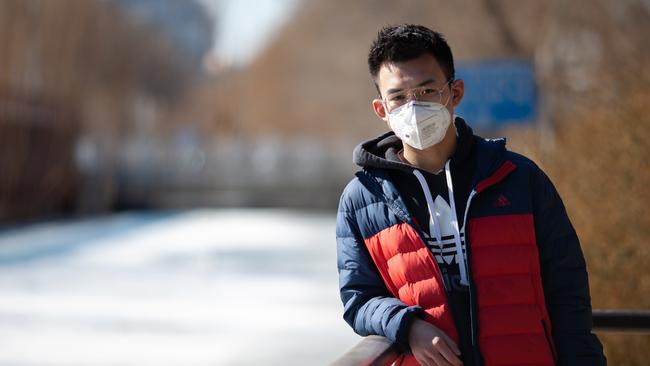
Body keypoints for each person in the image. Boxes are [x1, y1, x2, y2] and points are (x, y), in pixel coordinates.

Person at [335, 24, 606, 366]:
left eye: (427, 90)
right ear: (381, 109)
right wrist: (407, 326)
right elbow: (359, 298)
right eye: (399, 97)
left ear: (455, 92)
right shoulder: (363, 199)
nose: (413, 107)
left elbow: (568, 293)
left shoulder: (519, 178)